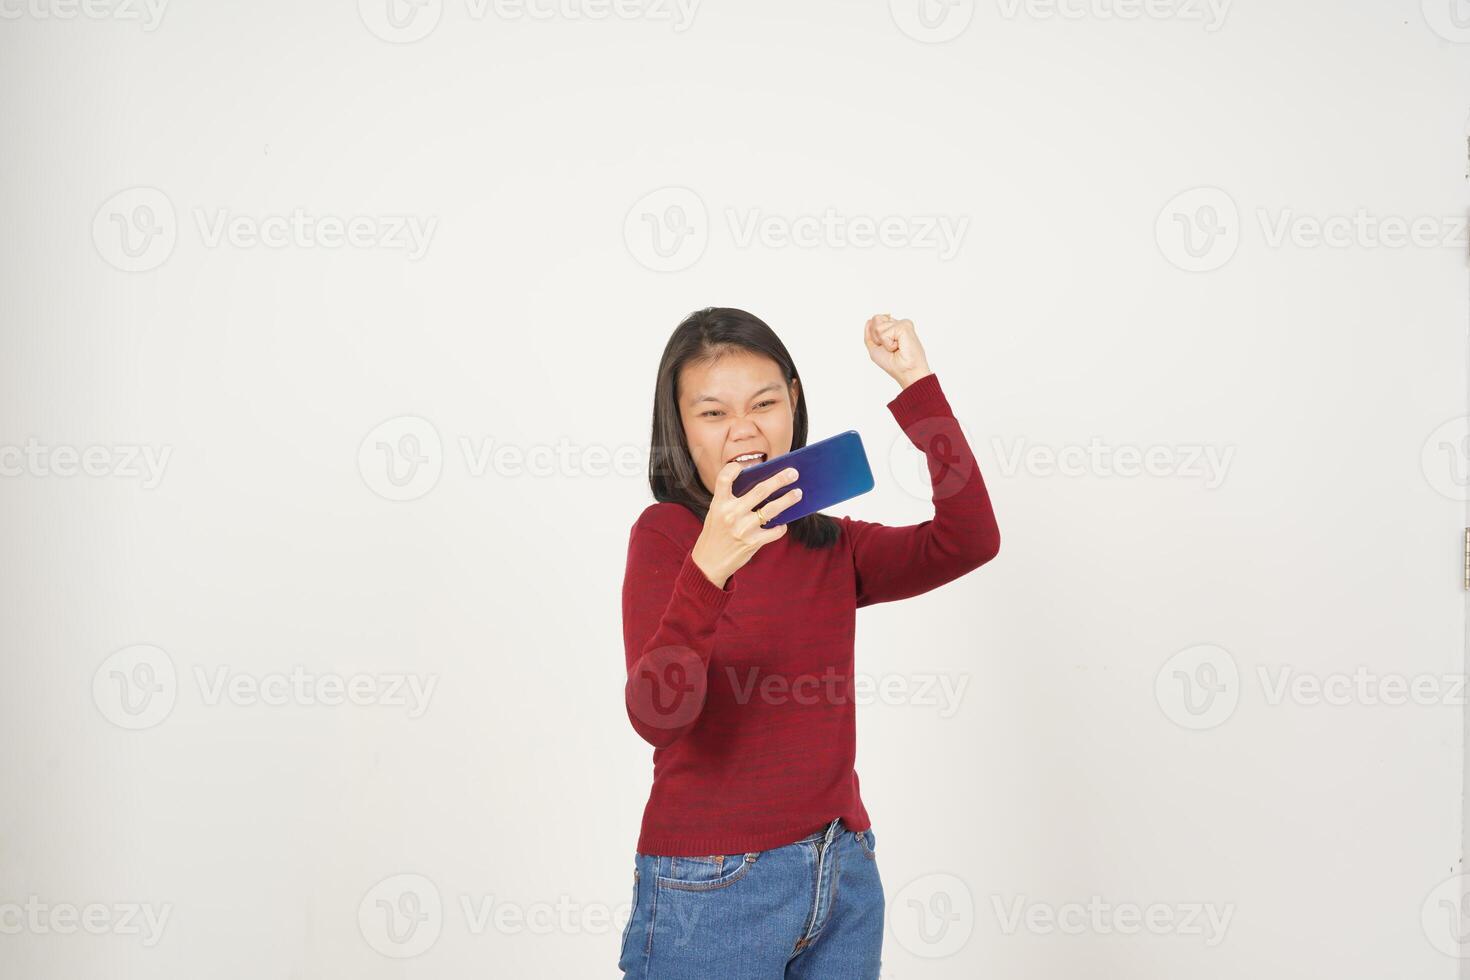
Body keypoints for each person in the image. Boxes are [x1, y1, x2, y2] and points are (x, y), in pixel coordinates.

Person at [618, 307, 1001, 979]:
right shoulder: (668, 536)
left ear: (794, 402)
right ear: (679, 428)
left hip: (843, 872)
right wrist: (710, 570)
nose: (744, 430)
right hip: (712, 887)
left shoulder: (829, 542)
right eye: (712, 414)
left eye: (765, 403)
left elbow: (969, 538)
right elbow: (657, 716)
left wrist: (919, 385)